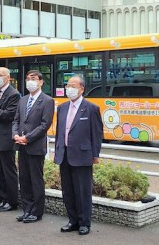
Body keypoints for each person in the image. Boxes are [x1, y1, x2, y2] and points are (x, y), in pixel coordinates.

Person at [54, 76, 102, 235]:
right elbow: (59, 132)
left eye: (73, 86)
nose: (69, 89)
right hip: (65, 154)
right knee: (67, 191)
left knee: (83, 191)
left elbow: (96, 134)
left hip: (82, 155)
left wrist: (95, 155)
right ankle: (72, 220)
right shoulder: (62, 108)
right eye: (67, 85)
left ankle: (84, 223)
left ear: (81, 89)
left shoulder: (91, 108)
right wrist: (57, 150)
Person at [12, 70, 54, 223]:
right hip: (21, 146)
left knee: (36, 180)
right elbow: (16, 120)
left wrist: (27, 138)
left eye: (34, 79)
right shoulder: (22, 100)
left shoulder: (47, 101)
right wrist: (15, 135)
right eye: (28, 79)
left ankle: (36, 212)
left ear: (41, 82)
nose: (30, 81)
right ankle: (27, 209)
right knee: (24, 179)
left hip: (35, 146)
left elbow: (44, 125)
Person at [0, 67, 20, 212]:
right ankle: (2, 199)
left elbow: (9, 115)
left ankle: (12, 201)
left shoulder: (14, 94)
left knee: (8, 171)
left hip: (6, 138)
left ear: (8, 77)